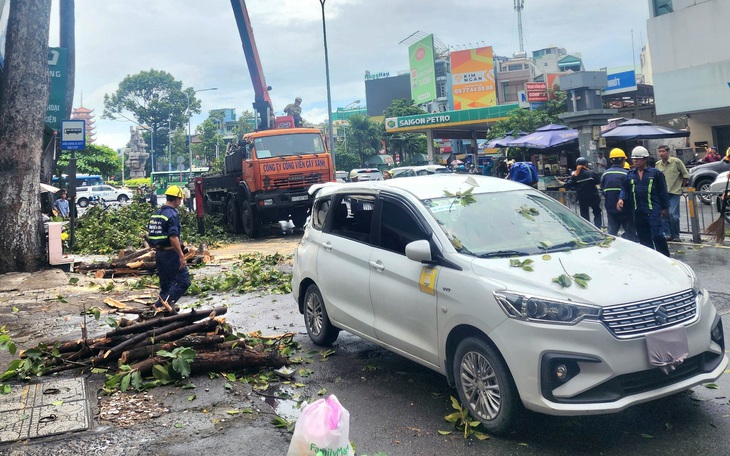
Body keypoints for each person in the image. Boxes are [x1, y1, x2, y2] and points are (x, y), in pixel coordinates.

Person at [618, 146, 670, 257]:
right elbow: (625, 189)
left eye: (638, 159)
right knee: (643, 237)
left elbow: (663, 191)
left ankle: (664, 257)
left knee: (657, 235)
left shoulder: (655, 174)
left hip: (653, 210)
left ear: (645, 159)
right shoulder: (630, 175)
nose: (635, 161)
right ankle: (650, 258)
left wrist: (665, 207)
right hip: (638, 211)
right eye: (633, 159)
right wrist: (621, 199)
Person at [147, 185, 191, 313]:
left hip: (160, 254)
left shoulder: (157, 214)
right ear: (177, 199)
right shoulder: (172, 214)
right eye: (180, 199)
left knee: (166, 286)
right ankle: (162, 305)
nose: (181, 202)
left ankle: (159, 307)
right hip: (171, 254)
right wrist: (181, 256)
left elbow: (151, 236)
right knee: (184, 282)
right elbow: (173, 237)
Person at [655, 144, 689, 241]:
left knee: (673, 215)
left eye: (663, 151)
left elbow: (686, 175)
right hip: (662, 194)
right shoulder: (658, 165)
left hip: (674, 192)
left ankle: (676, 235)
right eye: (660, 151)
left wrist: (681, 187)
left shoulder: (676, 162)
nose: (661, 153)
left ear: (668, 152)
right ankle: (668, 234)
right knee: (664, 214)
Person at [600, 148, 636, 240]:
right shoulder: (627, 173)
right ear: (623, 160)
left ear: (611, 160)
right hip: (626, 208)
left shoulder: (605, 174)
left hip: (610, 207)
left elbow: (603, 189)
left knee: (612, 234)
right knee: (630, 232)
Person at [565, 157, 602, 228]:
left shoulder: (575, 175)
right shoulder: (591, 173)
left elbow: (569, 184)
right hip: (594, 197)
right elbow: (598, 181)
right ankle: (598, 228)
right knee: (597, 213)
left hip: (582, 198)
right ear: (586, 165)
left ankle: (587, 229)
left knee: (584, 216)